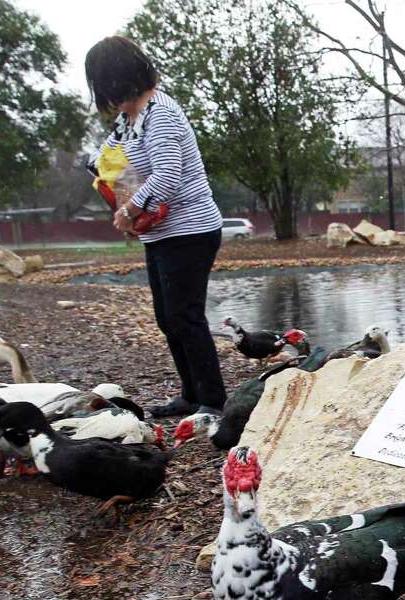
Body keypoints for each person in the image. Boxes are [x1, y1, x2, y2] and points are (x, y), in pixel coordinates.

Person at [84, 36, 226, 419]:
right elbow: (107, 161)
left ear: (116, 79)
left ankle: (213, 401)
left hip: (190, 229)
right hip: (160, 231)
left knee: (186, 315)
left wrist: (127, 211)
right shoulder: (129, 119)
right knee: (168, 318)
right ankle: (191, 394)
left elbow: (168, 175)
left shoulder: (160, 112)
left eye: (100, 82)